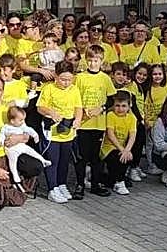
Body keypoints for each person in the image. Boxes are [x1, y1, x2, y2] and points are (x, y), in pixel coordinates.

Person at [39, 61, 84, 203]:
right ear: (56, 76)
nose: (66, 83)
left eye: (69, 80)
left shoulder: (74, 89)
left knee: (65, 160)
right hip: (52, 130)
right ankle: (52, 188)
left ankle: (61, 184)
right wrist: (50, 111)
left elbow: (78, 107)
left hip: (67, 130)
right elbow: (40, 106)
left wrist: (78, 119)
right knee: (53, 160)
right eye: (63, 79)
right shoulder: (49, 88)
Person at [74, 45, 115, 196]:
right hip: (83, 124)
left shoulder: (105, 79)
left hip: (98, 124)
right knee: (81, 157)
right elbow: (74, 96)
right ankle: (79, 185)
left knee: (95, 157)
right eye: (90, 60)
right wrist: (80, 110)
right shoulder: (79, 78)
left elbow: (112, 99)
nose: (93, 63)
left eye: (96, 60)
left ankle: (95, 184)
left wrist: (101, 109)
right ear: (86, 60)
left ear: (101, 60)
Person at [0, 104, 49, 187]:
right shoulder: (6, 127)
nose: (23, 122)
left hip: (21, 146)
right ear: (12, 121)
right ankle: (16, 178)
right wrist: (0, 141)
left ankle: (43, 160)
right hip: (11, 149)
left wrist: (35, 136)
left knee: (32, 151)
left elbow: (29, 131)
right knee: (13, 163)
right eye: (21, 120)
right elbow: (1, 134)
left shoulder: (21, 124)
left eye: (23, 120)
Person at [99, 91, 137, 195]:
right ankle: (119, 183)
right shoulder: (111, 115)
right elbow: (110, 135)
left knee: (127, 157)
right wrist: (122, 150)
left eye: (124, 106)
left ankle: (115, 179)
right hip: (108, 148)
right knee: (119, 157)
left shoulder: (132, 118)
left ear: (129, 106)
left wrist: (127, 150)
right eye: (117, 106)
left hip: (122, 148)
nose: (120, 109)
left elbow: (132, 135)